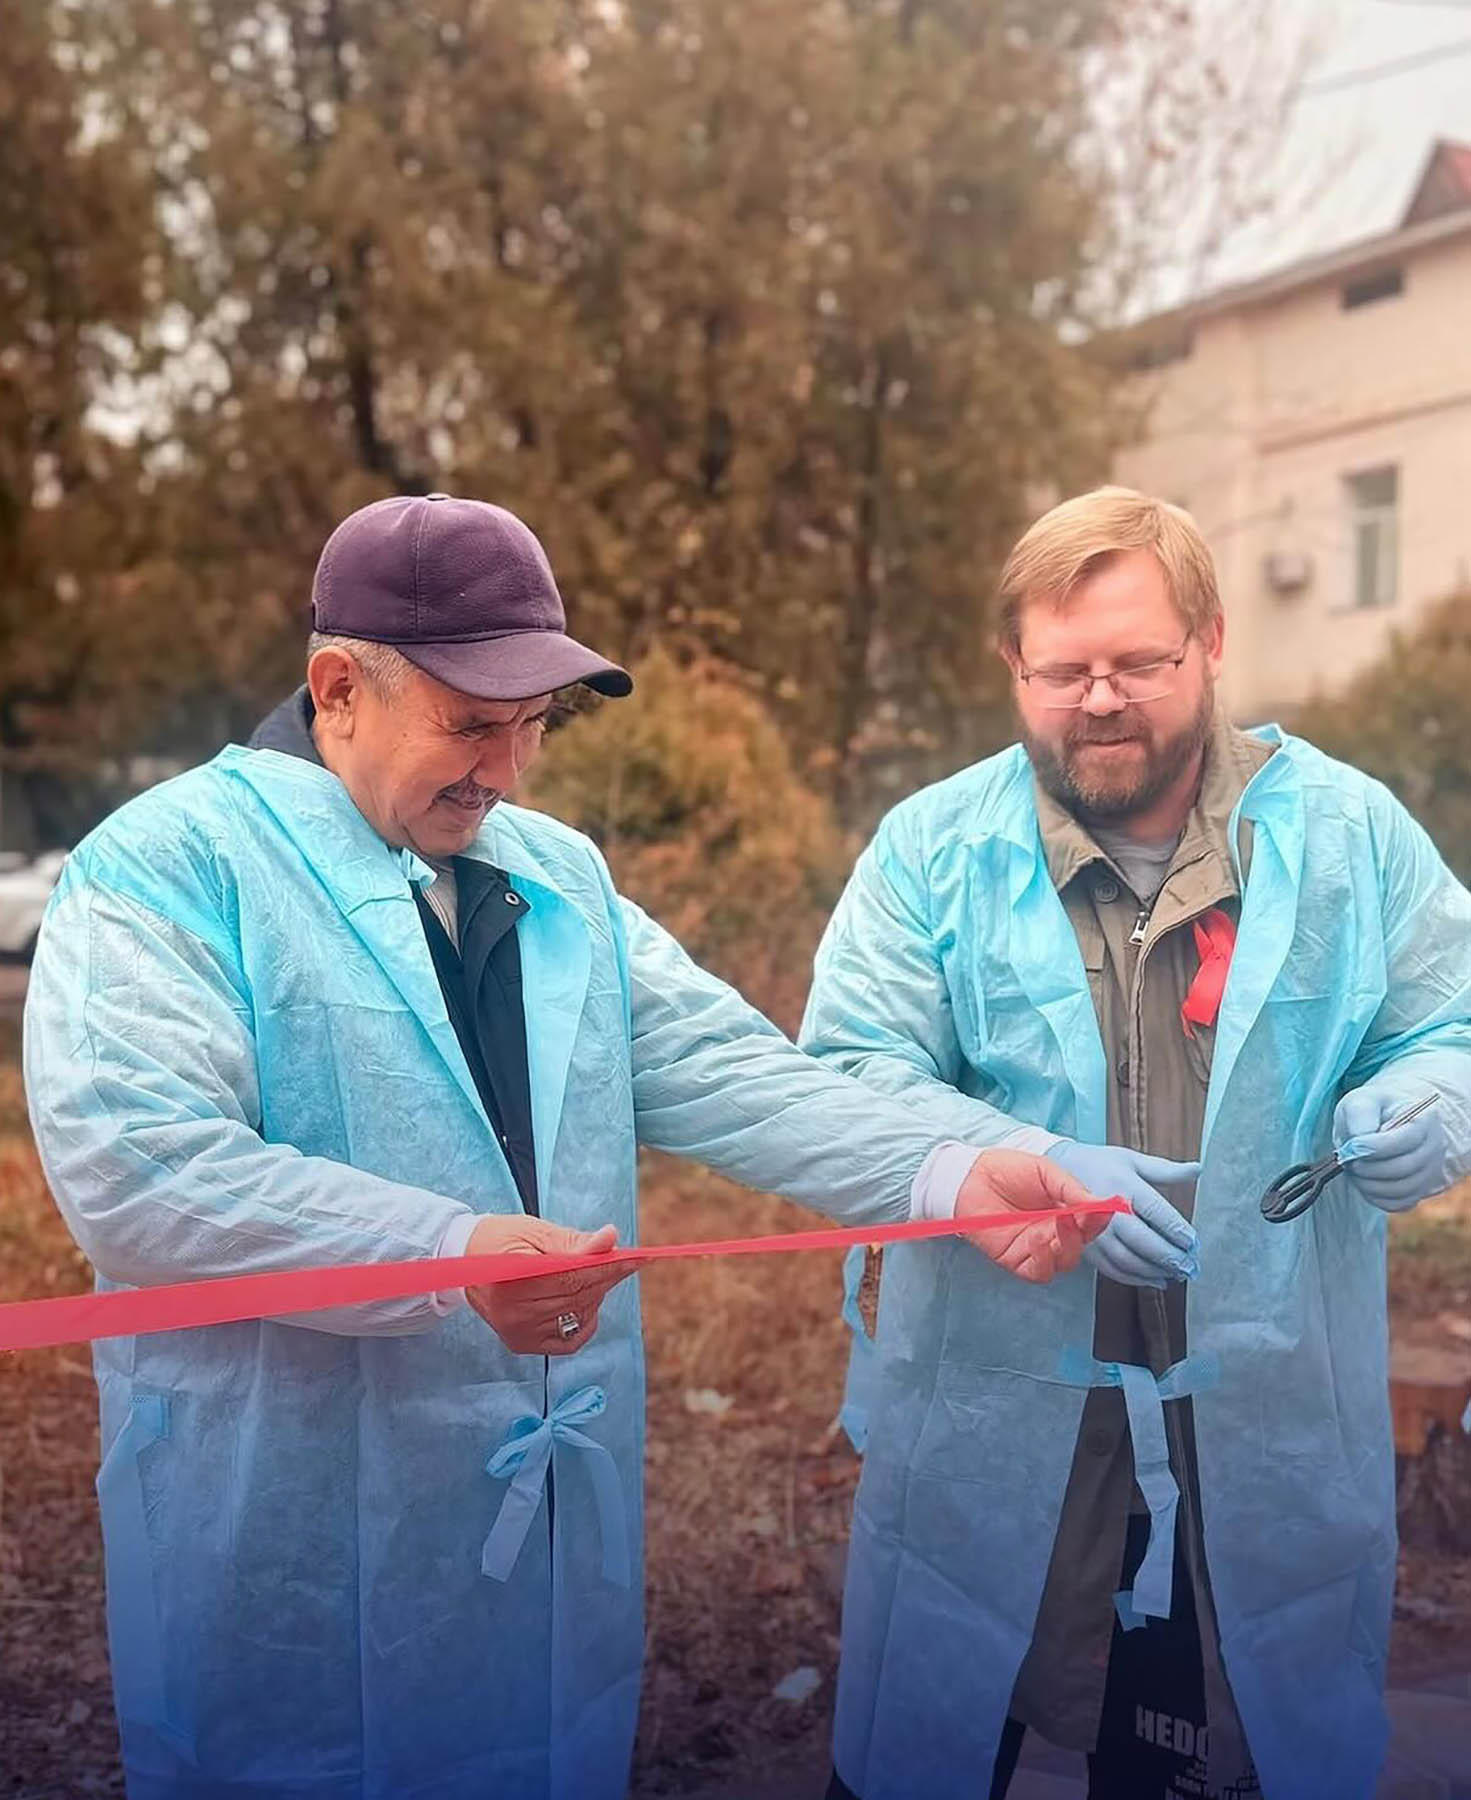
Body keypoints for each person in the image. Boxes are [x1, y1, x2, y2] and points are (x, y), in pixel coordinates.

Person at [22, 492, 1108, 1800]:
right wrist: (444, 1250)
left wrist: (946, 1171)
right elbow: (141, 1167)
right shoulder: (167, 868)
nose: (507, 769)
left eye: (533, 724)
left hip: (533, 1518)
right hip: (281, 1531)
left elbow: (730, 1067)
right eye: (471, 724)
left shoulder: (554, 876)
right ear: (339, 688)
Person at [800, 486, 1471, 1800]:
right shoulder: (933, 852)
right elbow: (848, 1082)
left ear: (1211, 644)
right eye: (1063, 672)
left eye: (1138, 663)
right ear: (1013, 664)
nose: (1099, 701)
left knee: (1213, 1750)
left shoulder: (1347, 835)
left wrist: (1431, 1101)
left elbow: (1450, 1019)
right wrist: (1015, 1163)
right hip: (997, 1416)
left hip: (1258, 1425)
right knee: (934, 1737)